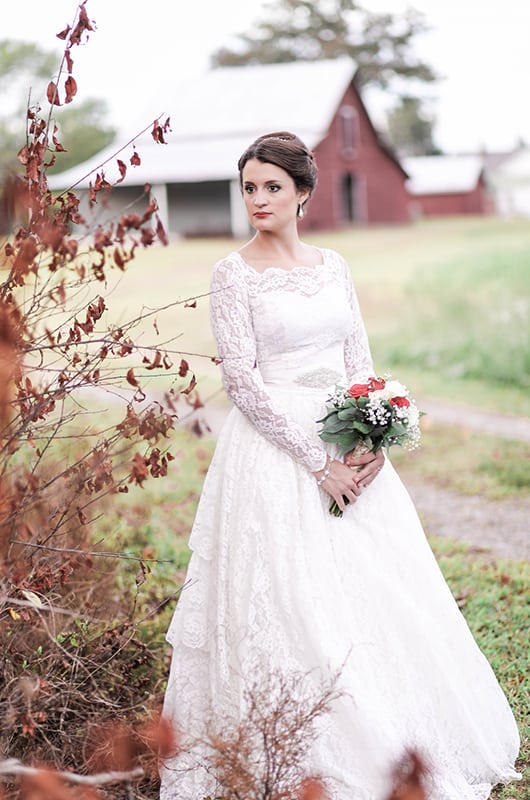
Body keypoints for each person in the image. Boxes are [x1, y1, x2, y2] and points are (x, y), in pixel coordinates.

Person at [159, 132, 520, 799]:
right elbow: (241, 380)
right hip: (274, 452)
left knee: (379, 589)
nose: (258, 199)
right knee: (289, 595)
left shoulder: (334, 265)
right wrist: (313, 463)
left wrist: (370, 438)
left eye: (271, 187)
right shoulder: (233, 273)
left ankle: (403, 727)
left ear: (302, 192)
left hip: (345, 435)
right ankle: (299, 744)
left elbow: (360, 361)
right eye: (248, 188)